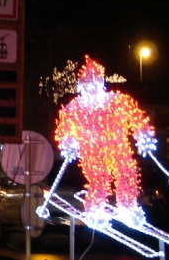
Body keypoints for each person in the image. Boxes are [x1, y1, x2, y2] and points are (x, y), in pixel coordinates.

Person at [55, 56, 156, 227]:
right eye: (87, 83)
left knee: (127, 173)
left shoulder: (117, 100)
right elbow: (64, 130)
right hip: (92, 151)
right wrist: (68, 143)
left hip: (118, 147)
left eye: (94, 82)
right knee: (99, 179)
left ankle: (128, 208)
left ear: (101, 83)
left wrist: (144, 135)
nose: (91, 87)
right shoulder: (74, 108)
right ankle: (95, 211)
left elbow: (136, 116)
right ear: (82, 86)